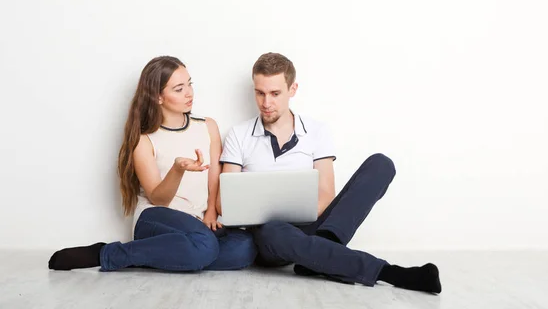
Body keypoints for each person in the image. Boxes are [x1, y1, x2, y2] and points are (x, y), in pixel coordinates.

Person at [218, 52, 442, 293]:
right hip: (271, 237)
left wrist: (302, 217)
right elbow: (224, 203)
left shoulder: (316, 131)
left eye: (275, 94)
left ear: (292, 89)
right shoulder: (238, 135)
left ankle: (320, 254)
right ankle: (391, 273)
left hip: (312, 226)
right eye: (259, 93)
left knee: (381, 164)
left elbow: (326, 194)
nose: (266, 103)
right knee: (273, 230)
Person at [48, 56, 257, 272]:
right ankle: (108, 253)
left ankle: (169, 253)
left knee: (245, 247)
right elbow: (158, 198)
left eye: (189, 84)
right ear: (158, 97)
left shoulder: (208, 126)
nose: (189, 93)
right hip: (156, 218)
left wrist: (211, 212)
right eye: (178, 89)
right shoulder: (144, 140)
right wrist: (178, 170)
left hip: (197, 222)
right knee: (204, 245)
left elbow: (215, 177)